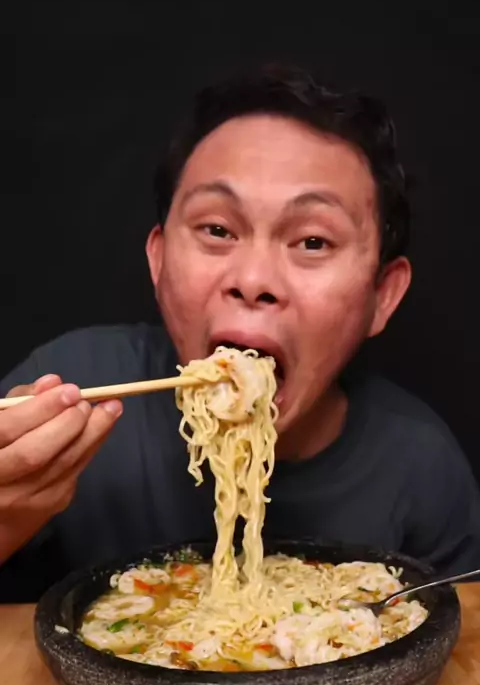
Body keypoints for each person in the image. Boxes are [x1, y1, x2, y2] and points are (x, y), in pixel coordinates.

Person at [1, 64, 479, 601]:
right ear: (159, 260)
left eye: (314, 242)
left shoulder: (421, 469)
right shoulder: (68, 388)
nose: (253, 281)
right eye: (217, 229)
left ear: (382, 295)